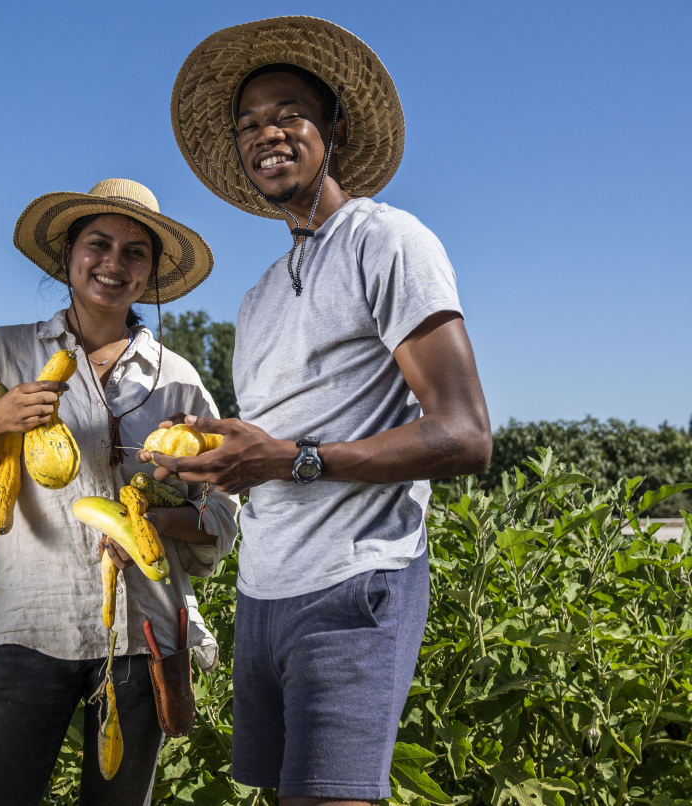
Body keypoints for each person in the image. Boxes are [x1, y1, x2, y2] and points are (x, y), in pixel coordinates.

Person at [144, 18, 493, 806]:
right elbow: (269, 440)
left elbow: (467, 434)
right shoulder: (259, 295)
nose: (265, 133)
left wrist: (292, 459)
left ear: (334, 129)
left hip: (356, 582)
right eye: (248, 124)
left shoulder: (389, 242)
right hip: (264, 595)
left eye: (287, 113)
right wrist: (207, 458)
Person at [0, 178, 238, 806]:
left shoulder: (175, 379)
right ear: (69, 256)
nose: (113, 263)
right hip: (29, 625)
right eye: (98, 244)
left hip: (144, 633)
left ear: (150, 273)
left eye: (134, 253)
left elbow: (221, 515)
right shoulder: (6, 352)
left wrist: (148, 524)